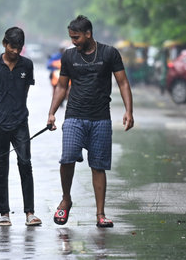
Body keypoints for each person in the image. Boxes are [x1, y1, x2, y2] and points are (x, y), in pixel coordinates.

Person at [47, 15, 134, 228]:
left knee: (98, 166)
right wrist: (52, 112)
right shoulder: (68, 56)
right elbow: (61, 86)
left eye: (76, 37)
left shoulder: (109, 53)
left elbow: (122, 82)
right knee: (67, 158)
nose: (73, 41)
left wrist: (129, 111)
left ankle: (100, 214)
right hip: (74, 115)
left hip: (100, 118)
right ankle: (66, 199)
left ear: (88, 34)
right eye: (71, 37)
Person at [0, 27, 42, 227]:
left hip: (20, 121)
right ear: (5, 44)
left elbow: (24, 90)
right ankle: (4, 213)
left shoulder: (27, 65)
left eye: (19, 48)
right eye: (12, 47)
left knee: (25, 163)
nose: (15, 51)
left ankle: (30, 212)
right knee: (1, 167)